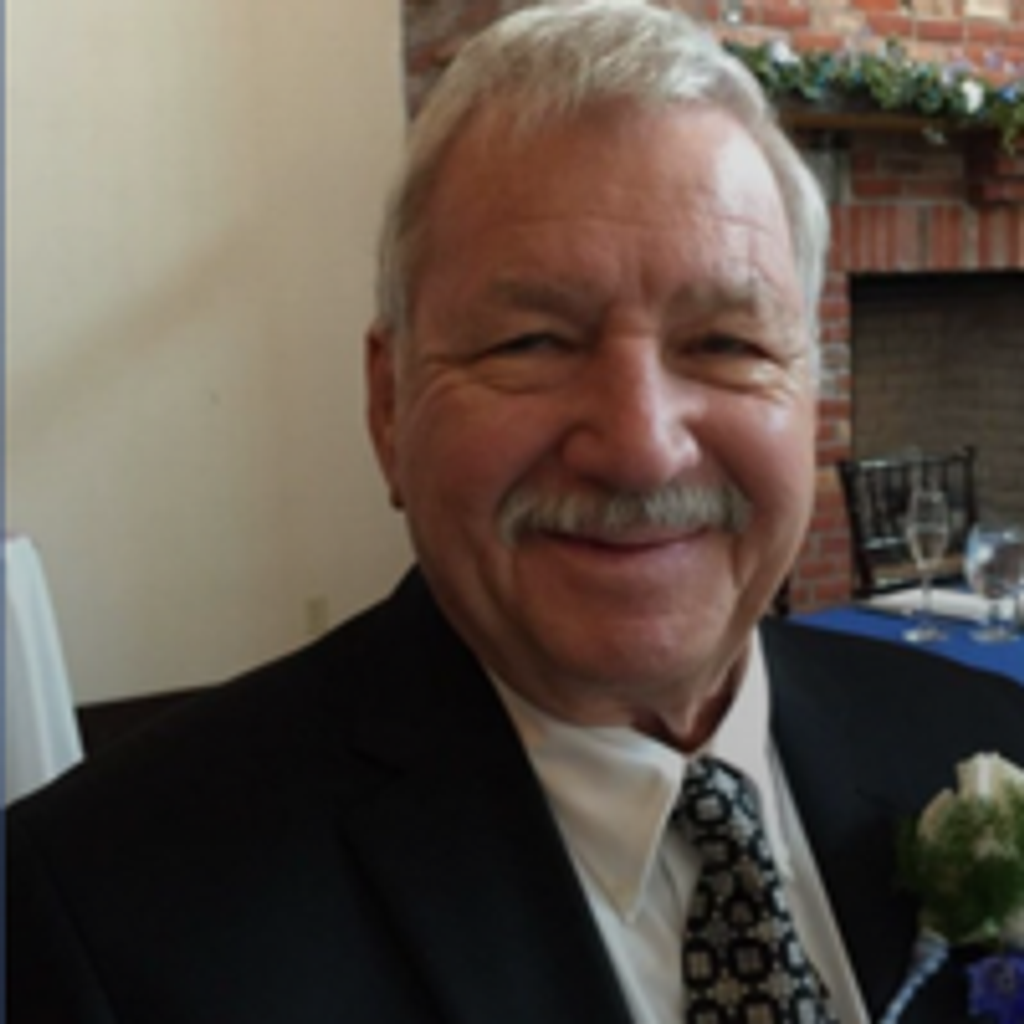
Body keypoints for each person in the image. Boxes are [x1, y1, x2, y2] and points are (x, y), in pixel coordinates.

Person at [9, 3, 1024, 1022]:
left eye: (725, 344)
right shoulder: (100, 916)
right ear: (389, 405)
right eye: (532, 342)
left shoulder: (985, 739)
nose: (640, 447)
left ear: (809, 395)